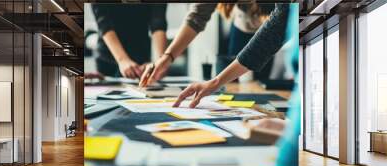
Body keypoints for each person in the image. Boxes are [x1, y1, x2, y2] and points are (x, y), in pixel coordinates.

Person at [139, 3, 291, 108]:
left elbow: (280, 23)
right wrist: (167, 57)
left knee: (262, 88)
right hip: (244, 24)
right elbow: (196, 17)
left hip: (272, 26)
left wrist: (215, 82)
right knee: (236, 89)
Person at [92, 4, 167, 79]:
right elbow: (104, 23)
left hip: (141, 57)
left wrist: (159, 63)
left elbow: (158, 23)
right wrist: (122, 60)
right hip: (108, 58)